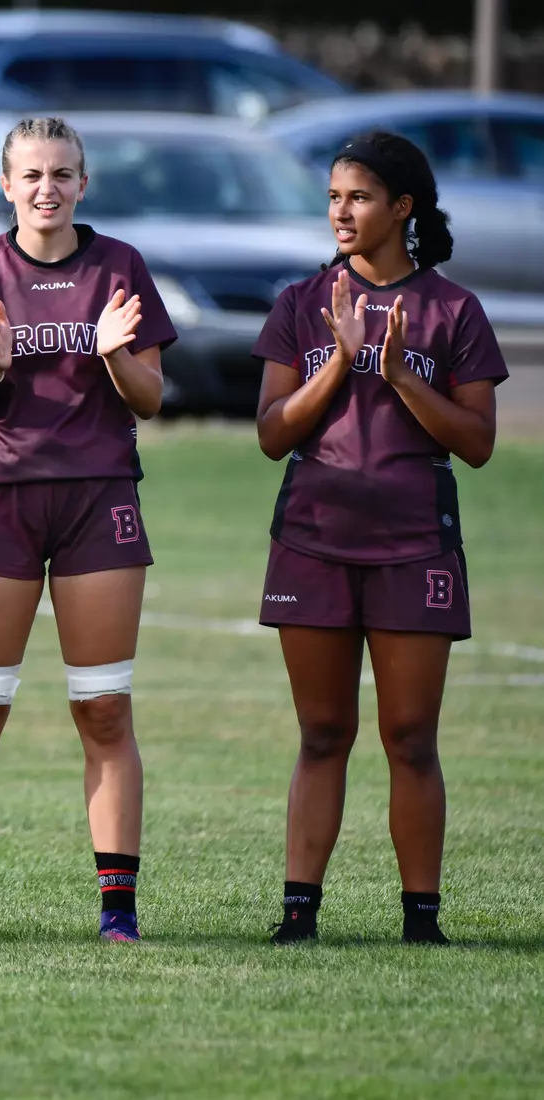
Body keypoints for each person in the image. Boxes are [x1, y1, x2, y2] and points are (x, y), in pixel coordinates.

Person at [0, 117, 176, 942]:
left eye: (62, 174)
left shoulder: (120, 267)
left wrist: (113, 355)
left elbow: (150, 398)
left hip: (98, 499)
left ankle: (118, 913)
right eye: (31, 175)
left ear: (83, 184)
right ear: (6, 186)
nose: (47, 189)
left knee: (104, 711)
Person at [253, 132, 505, 946]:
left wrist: (399, 376)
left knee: (411, 738)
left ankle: (421, 921)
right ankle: (299, 915)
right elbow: (271, 434)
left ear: (402, 208)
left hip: (415, 546)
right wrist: (340, 363)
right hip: (312, 541)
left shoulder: (453, 310)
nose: (341, 211)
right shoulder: (301, 303)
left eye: (358, 198)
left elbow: (477, 443)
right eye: (333, 197)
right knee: (323, 733)